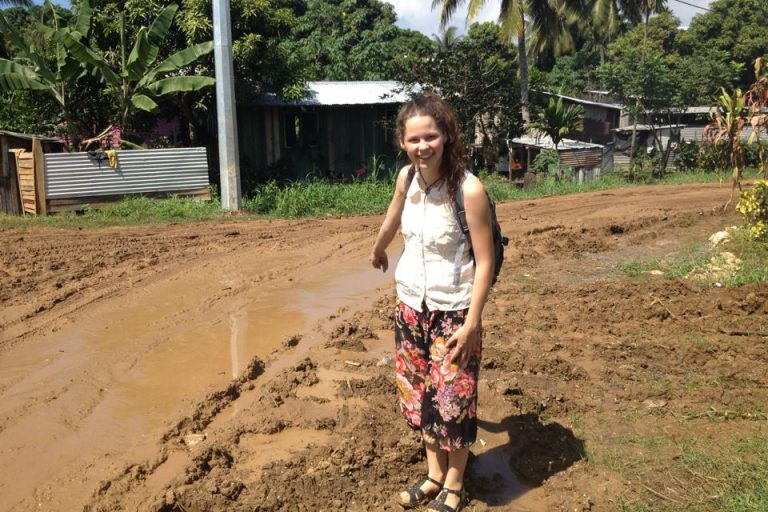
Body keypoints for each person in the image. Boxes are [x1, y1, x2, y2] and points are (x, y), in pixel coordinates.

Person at [370, 93, 494, 512]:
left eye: (431, 137)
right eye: (414, 139)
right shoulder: (406, 179)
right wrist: (379, 246)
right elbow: (393, 213)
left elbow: (486, 261)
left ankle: (455, 483)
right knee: (420, 393)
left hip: (454, 311)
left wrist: (472, 322)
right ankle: (433, 474)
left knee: (452, 399)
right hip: (410, 306)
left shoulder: (469, 190)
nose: (423, 146)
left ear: (446, 136)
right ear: (402, 142)